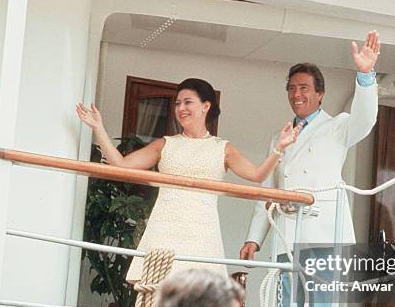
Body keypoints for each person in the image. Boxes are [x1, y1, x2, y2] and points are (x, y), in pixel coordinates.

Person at [239, 31, 381, 307]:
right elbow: (268, 192)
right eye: (291, 88)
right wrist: (255, 237)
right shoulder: (280, 135)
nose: (297, 94)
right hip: (287, 237)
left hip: (324, 235)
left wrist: (365, 76)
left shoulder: (338, 126)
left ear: (320, 93)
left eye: (304, 87)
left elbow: (366, 120)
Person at [76, 78, 300, 282]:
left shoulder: (222, 148)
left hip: (202, 234)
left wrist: (279, 148)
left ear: (206, 106)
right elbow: (121, 165)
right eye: (177, 104)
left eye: (187, 102)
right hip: (164, 231)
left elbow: (258, 174)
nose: (180, 108)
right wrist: (99, 129)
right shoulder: (166, 144)